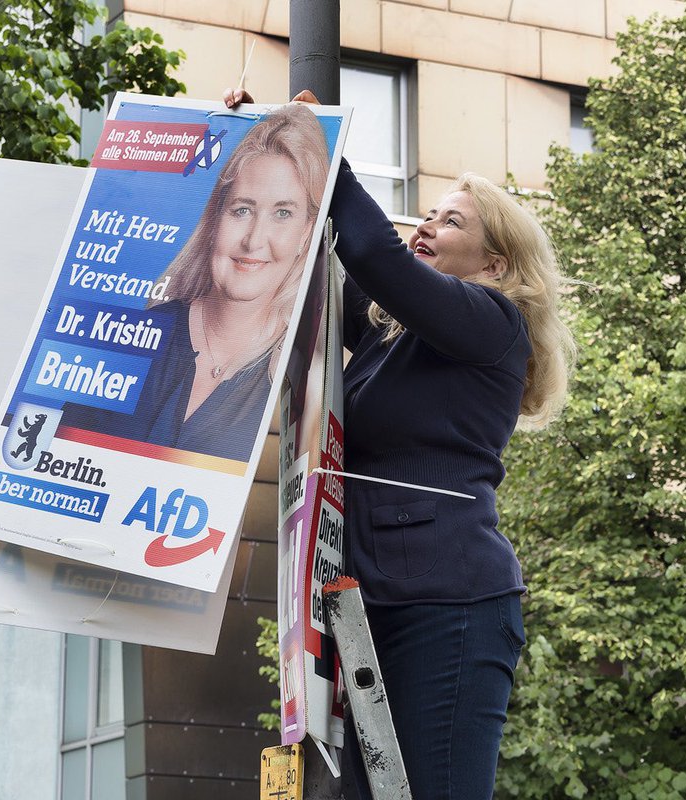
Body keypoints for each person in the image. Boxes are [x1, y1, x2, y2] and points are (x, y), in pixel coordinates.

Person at [226, 88, 575, 798]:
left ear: (497, 264)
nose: (428, 225)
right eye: (429, 213)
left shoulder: (493, 326)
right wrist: (260, 139)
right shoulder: (394, 338)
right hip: (369, 598)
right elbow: (325, 274)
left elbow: (374, 254)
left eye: (452, 222)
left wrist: (323, 150)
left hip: (448, 601)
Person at [61, 104, 330, 462]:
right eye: (242, 210)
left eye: (283, 213)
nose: (254, 240)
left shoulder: (303, 372)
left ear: (306, 233)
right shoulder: (131, 340)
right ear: (215, 219)